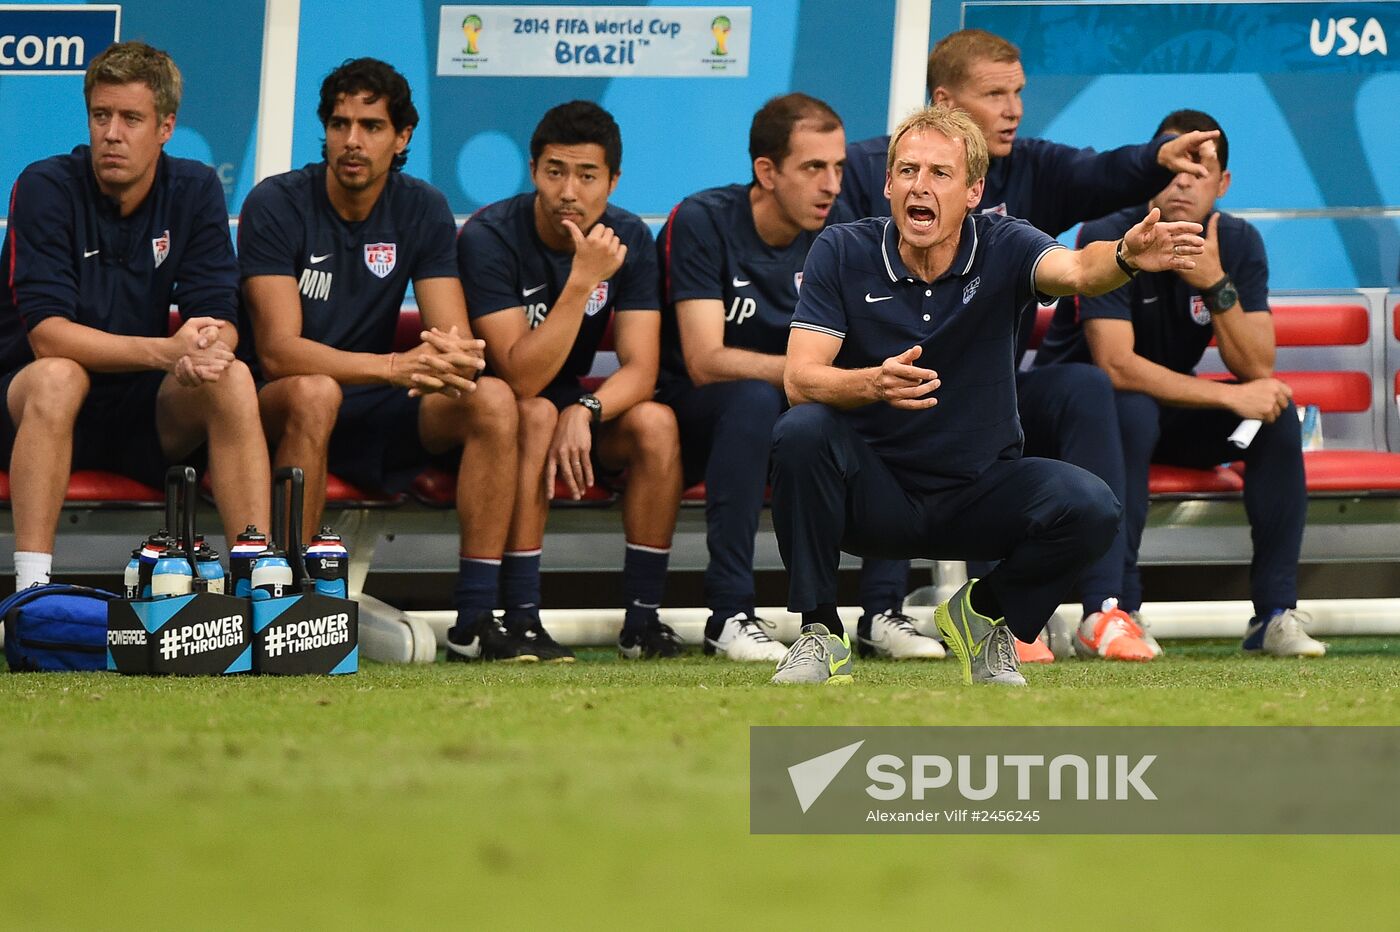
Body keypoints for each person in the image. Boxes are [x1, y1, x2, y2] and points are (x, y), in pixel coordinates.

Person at [768, 106, 1205, 686]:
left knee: (1093, 505)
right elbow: (800, 380)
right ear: (887, 183)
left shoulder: (1006, 243)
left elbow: (1075, 269)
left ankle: (984, 616)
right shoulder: (842, 250)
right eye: (907, 171)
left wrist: (1124, 258)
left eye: (940, 174)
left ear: (974, 190)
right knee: (800, 432)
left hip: (976, 493)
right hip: (872, 498)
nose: (920, 186)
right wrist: (871, 382)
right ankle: (822, 633)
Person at [839, 28, 1220, 662]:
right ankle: (884, 612)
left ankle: (1099, 610)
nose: (1014, 109)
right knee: (903, 406)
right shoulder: (880, 171)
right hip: (896, 381)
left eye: (1018, 93)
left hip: (992, 390)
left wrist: (1156, 159)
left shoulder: (1030, 166)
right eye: (995, 94)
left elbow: (1096, 173)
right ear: (947, 101)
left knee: (1084, 386)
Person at [237, 58, 530, 661]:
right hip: (279, 406)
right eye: (340, 123)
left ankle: (475, 617)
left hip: (375, 406)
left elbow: (450, 335)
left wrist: (455, 356)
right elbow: (278, 351)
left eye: (371, 126)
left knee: (494, 400)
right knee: (316, 391)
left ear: (401, 139)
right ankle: (291, 607)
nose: (352, 140)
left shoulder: (420, 206)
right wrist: (396, 366)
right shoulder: (275, 203)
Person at [656, 94, 945, 663]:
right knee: (750, 402)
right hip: (699, 418)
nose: (832, 185)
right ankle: (730, 613)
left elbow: (868, 345)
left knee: (887, 395)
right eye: (814, 168)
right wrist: (812, 377)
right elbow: (705, 359)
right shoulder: (703, 219)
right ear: (767, 171)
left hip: (795, 414)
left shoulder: (842, 235)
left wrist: (858, 381)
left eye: (838, 167)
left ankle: (881, 611)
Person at [1035, 109, 1323, 658]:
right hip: (1089, 422)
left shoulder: (1237, 242)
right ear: (1153, 169)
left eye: (1202, 169)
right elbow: (1115, 365)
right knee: (1132, 408)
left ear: (1223, 184)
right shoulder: (1109, 233)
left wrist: (1214, 280)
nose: (1185, 180)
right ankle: (1121, 609)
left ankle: (1275, 614)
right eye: (1176, 164)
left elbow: (1258, 367)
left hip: (1168, 411)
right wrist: (1229, 395)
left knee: (1273, 417)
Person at [0, 40, 269, 590]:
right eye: (101, 116)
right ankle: (31, 592)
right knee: (59, 376)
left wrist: (202, 348)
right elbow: (49, 338)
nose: (112, 134)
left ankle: (259, 588)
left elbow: (218, 311)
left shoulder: (193, 188)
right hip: (28, 407)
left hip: (138, 410)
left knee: (232, 376)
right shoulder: (45, 186)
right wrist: (165, 352)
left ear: (166, 127)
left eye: (130, 119)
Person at [460, 101, 685, 660]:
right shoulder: (490, 235)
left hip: (569, 407)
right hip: (487, 409)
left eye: (587, 176)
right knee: (532, 411)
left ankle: (642, 623)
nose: (569, 191)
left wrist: (585, 410)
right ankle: (516, 616)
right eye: (555, 171)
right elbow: (519, 375)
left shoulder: (627, 235)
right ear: (533, 170)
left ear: (613, 180)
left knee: (656, 423)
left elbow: (641, 368)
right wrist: (582, 281)